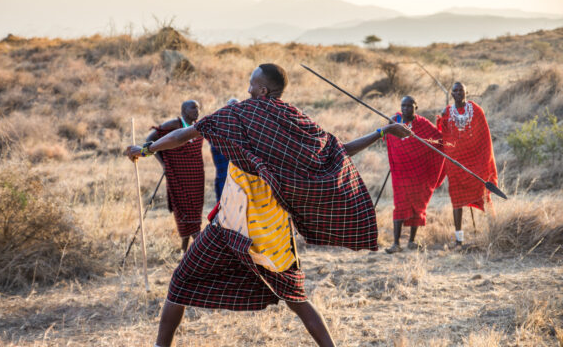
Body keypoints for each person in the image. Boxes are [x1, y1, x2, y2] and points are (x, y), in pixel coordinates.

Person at [126, 63, 411, 347]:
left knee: (180, 283)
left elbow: (183, 135)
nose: (247, 89)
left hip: (232, 225)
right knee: (297, 300)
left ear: (263, 90)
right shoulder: (298, 123)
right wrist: (382, 131)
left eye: (252, 84)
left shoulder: (240, 114)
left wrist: (146, 150)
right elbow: (340, 152)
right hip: (271, 234)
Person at [437, 82, 498, 247]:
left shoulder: (476, 110)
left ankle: (495, 232)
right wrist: (442, 118)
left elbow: (484, 138)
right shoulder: (448, 112)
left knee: (484, 195)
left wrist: (484, 162)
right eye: (455, 90)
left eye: (461, 90)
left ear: (467, 92)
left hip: (476, 161)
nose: (458, 93)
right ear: (452, 94)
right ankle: (459, 239)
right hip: (456, 162)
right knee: (457, 200)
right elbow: (444, 136)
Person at [384, 96, 445, 253]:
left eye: (409, 106)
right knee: (400, 205)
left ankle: (411, 241)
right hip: (400, 172)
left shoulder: (422, 123)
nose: (405, 109)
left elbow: (438, 140)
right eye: (403, 106)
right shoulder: (394, 120)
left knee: (417, 205)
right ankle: (396, 244)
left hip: (418, 172)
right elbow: (387, 138)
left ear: (415, 107)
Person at [146, 100, 204, 253]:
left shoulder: (199, 126)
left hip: (196, 175)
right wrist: (163, 163)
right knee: (184, 209)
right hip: (178, 174)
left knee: (195, 210)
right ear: (184, 110)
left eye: (198, 108)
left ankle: (184, 250)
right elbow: (150, 140)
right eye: (193, 108)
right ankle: (200, 250)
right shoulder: (173, 125)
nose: (197, 111)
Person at [210, 97, 239, 201]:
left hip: (241, 176)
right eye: (231, 107)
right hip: (224, 173)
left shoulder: (245, 127)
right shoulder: (218, 127)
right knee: (224, 205)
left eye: (237, 107)